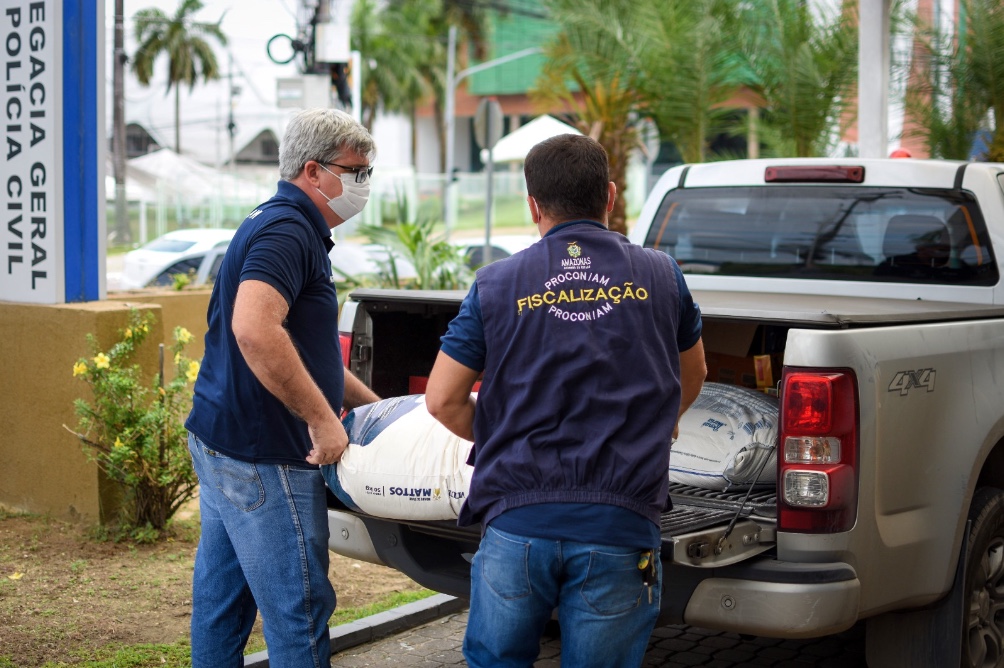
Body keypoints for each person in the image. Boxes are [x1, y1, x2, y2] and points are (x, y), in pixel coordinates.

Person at [425, 133, 706, 668]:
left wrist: (504, 435)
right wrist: (663, 421)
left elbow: (441, 400)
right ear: (611, 195)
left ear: (532, 204)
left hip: (516, 524)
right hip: (620, 526)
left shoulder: (495, 283)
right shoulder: (661, 275)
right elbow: (693, 372)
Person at [184, 108, 380, 668]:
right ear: (314, 171)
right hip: (266, 457)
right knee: (299, 612)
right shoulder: (289, 229)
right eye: (356, 171)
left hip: (224, 444)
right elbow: (254, 328)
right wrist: (322, 421)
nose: (364, 184)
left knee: (223, 605)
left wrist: (375, 407)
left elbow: (301, 350)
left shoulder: (274, 220)